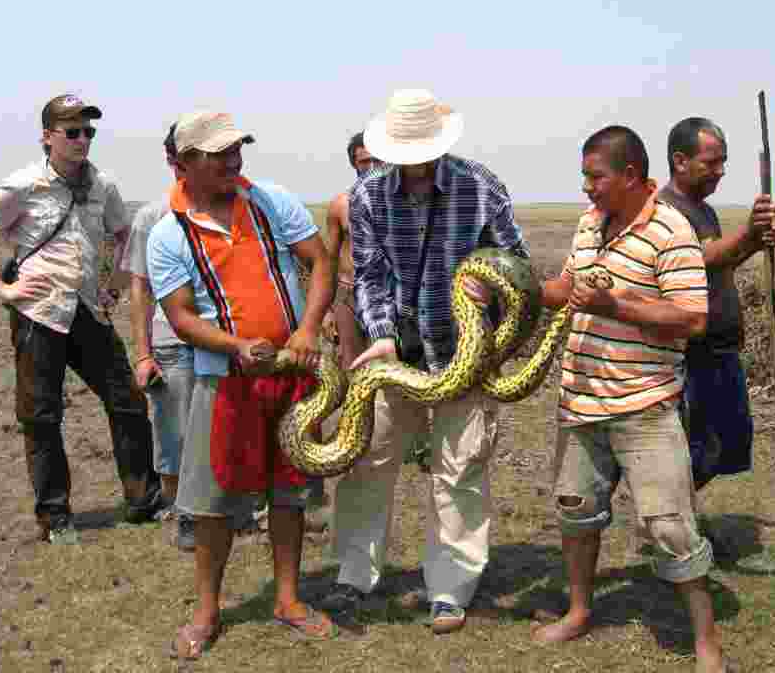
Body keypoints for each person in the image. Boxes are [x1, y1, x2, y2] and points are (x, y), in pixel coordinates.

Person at [323, 89, 527, 634]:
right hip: (396, 359)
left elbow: (517, 264)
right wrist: (384, 335)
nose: (413, 162)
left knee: (459, 470)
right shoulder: (366, 196)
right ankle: (354, 574)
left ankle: (450, 588)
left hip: (467, 355)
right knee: (370, 460)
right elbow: (368, 275)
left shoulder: (481, 188)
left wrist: (491, 285)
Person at [530, 125, 726, 672]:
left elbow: (692, 317)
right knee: (576, 510)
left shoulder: (671, 231)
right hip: (580, 401)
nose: (587, 188)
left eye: (595, 177)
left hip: (644, 405)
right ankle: (578, 610)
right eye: (584, 176)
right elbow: (567, 289)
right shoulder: (589, 224)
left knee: (668, 523)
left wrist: (617, 306)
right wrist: (514, 287)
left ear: (631, 176)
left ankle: (707, 642)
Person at [146, 110, 337, 659]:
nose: (234, 160)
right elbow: (180, 316)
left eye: (237, 148)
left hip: (291, 374)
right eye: (218, 153)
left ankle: (288, 599)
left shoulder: (269, 201)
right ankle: (207, 611)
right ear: (183, 163)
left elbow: (319, 261)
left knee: (289, 490)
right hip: (222, 382)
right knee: (212, 503)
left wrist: (304, 330)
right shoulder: (168, 233)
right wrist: (234, 348)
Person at [0, 94, 162, 544]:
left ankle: (144, 499)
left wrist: (114, 281)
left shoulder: (104, 186)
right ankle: (55, 517)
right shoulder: (24, 184)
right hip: (39, 313)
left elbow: (124, 233)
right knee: (41, 416)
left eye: (88, 132)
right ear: (47, 137)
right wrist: (2, 290)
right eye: (72, 132)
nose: (82, 140)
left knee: (128, 402)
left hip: (88, 310)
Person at [656, 118, 775, 495]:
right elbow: (699, 258)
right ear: (680, 161)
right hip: (693, 351)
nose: (720, 171)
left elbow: (718, 263)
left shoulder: (702, 210)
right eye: (711, 162)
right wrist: (748, 232)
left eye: (723, 162)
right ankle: (670, 521)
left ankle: (675, 516)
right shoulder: (666, 210)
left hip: (720, 348)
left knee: (727, 443)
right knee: (698, 448)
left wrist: (754, 243)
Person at [323, 132, 383, 369]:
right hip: (349, 297)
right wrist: (326, 312)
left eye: (377, 160)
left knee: (391, 369)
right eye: (364, 161)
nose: (372, 167)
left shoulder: (400, 203)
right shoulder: (340, 205)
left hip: (386, 296)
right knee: (352, 367)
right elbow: (328, 261)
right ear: (354, 165)